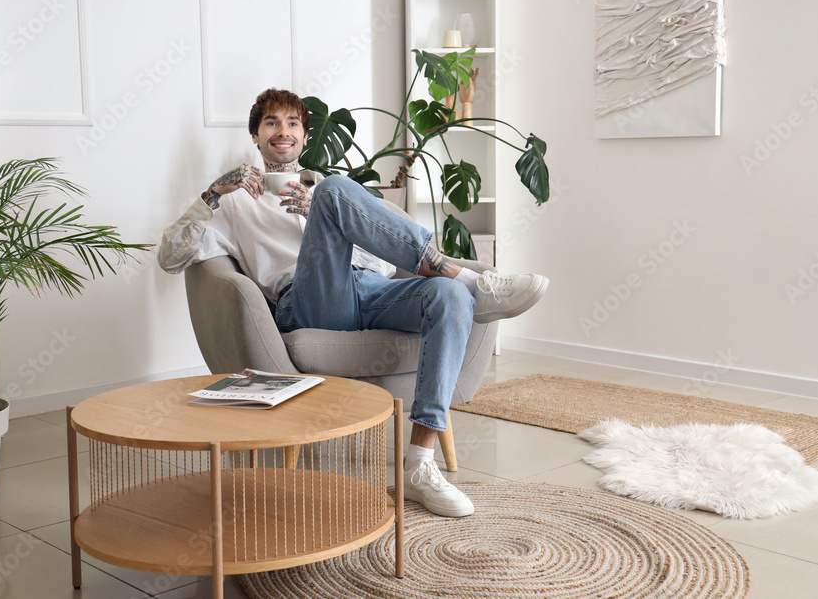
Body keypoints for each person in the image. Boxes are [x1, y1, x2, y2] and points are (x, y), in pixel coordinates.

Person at [159, 88, 549, 518]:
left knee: (447, 295)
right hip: (309, 304)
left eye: (292, 124)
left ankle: (419, 464)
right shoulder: (234, 201)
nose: (282, 131)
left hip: (372, 290)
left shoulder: (324, 192)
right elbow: (170, 257)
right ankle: (475, 280)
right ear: (256, 136)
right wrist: (212, 193)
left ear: (305, 137)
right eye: (271, 123)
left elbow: (383, 263)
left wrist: (320, 218)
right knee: (336, 192)